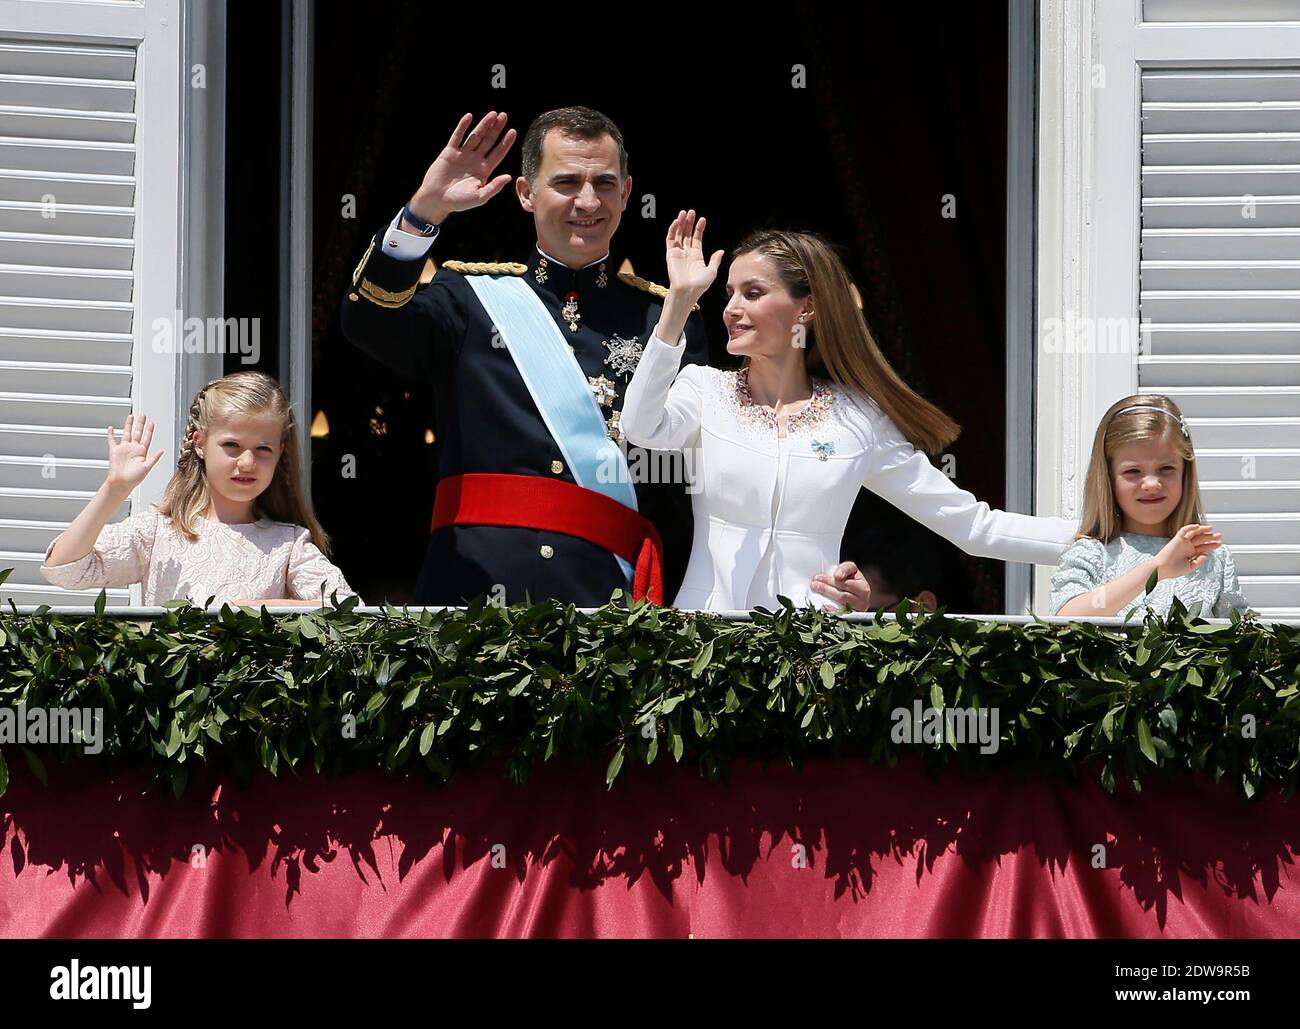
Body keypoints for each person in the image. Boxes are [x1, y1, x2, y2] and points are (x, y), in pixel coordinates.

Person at [339, 108, 872, 610]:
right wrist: (423, 213)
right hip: (477, 592)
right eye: (567, 183)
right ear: (525, 192)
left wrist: (805, 568)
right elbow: (368, 323)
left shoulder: (667, 317)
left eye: (605, 184)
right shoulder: (469, 297)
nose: (588, 202)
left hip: (613, 604)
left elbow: (704, 473)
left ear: (627, 193)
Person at [620, 214, 1080, 611]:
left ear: (807, 308)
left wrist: (1109, 540)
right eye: (729, 294)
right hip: (704, 651)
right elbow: (640, 427)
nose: (732, 309)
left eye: (753, 292)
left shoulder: (859, 419)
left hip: (809, 661)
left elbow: (972, 526)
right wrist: (678, 302)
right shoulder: (704, 389)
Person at [40, 372, 355, 607]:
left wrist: (255, 608)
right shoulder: (157, 532)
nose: (247, 462)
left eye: (263, 449)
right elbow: (65, 570)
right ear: (200, 444)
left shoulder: (288, 544)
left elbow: (347, 611)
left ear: (280, 452)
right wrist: (114, 490)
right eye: (232, 445)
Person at [1050, 395, 1249, 618]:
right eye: (1133, 471)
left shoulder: (1212, 558)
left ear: (1185, 472)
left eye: (1166, 468)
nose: (1152, 484)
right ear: (1108, 478)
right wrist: (1157, 569)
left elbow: (1240, 638)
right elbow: (1065, 619)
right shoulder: (1092, 553)